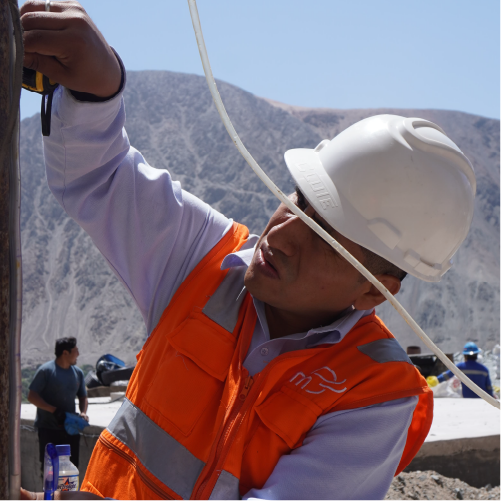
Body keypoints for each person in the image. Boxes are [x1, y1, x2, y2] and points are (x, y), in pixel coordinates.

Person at [19, 1, 476, 500]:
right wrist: (95, 92)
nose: (280, 235)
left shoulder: (376, 396)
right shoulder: (207, 259)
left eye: (324, 237)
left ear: (373, 290)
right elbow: (101, 177)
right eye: (297, 201)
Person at [28, 337, 88, 473]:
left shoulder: (77, 373)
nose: (78, 354)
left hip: (70, 430)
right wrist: (53, 410)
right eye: (75, 351)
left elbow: (83, 396)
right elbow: (32, 396)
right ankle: (51, 495)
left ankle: (68, 495)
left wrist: (83, 412)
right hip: (49, 430)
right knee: (50, 471)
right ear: (65, 353)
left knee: (71, 470)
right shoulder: (46, 371)